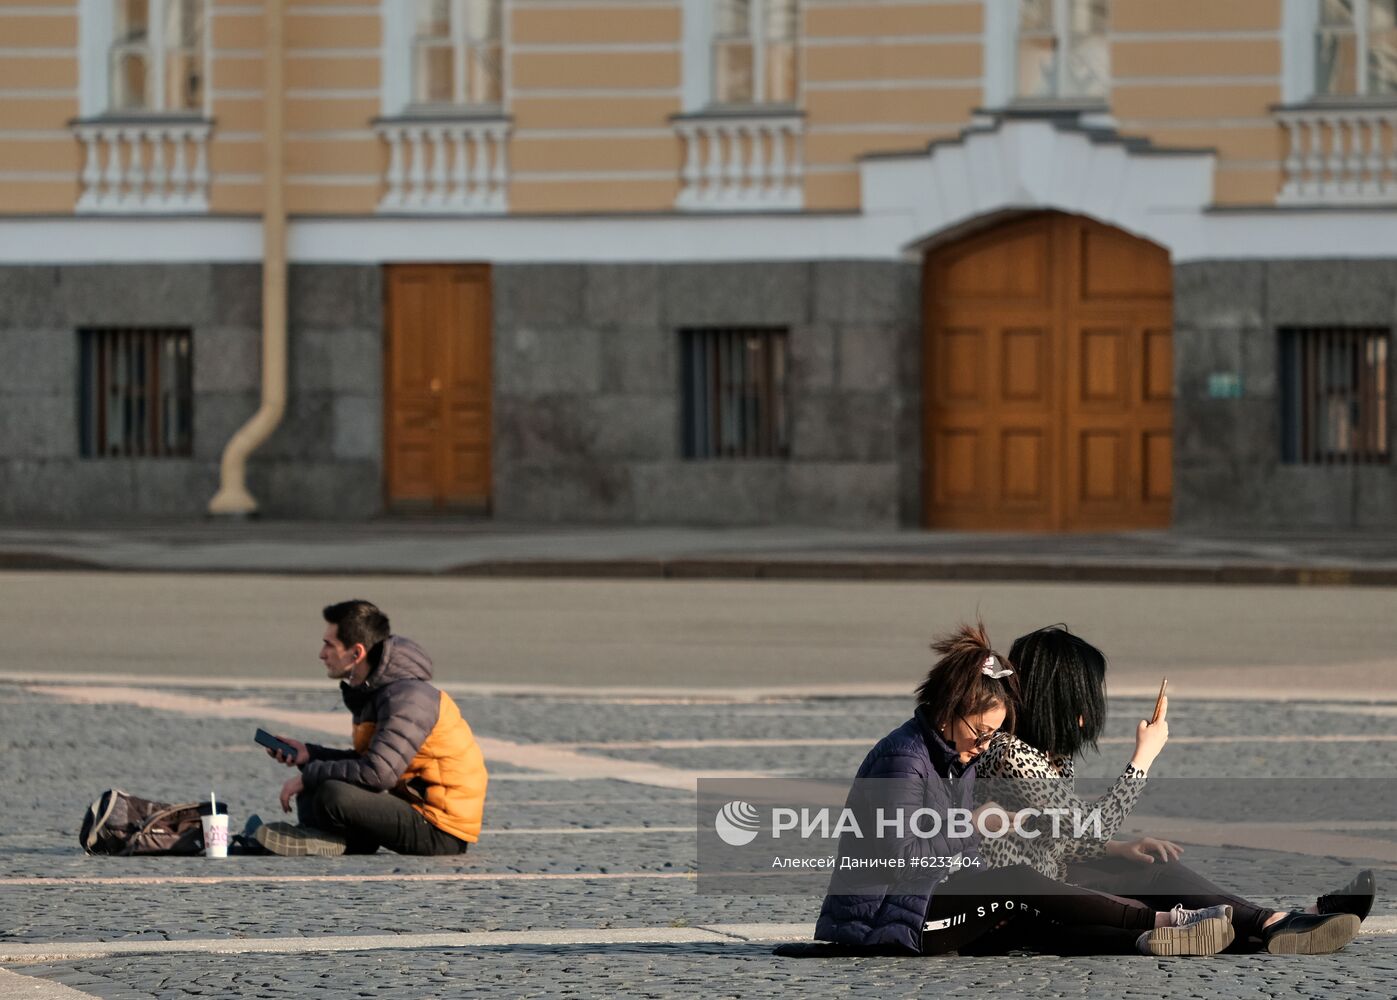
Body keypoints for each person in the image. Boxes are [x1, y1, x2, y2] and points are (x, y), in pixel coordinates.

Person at [798, 623, 1235, 959]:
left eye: (993, 735)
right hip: (888, 921)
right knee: (1018, 884)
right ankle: (1168, 920)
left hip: (929, 899)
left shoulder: (956, 754)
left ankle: (1151, 937)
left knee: (1030, 914)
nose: (985, 745)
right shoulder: (904, 759)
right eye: (982, 732)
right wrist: (972, 825)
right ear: (951, 709)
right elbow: (900, 855)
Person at [971, 624, 1372, 956]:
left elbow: (1056, 833)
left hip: (1054, 876)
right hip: (1020, 904)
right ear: (1056, 700)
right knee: (1151, 913)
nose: (1089, 713)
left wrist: (1118, 850)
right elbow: (1088, 828)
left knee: (1156, 870)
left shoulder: (1049, 755)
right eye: (1085, 698)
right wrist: (1142, 759)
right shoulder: (1012, 755)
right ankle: (1287, 921)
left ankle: (1281, 921)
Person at [248, 600, 488, 857]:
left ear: (356, 653)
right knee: (318, 787)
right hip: (415, 808)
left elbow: (378, 774)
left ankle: (329, 838)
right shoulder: (380, 692)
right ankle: (332, 839)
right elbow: (371, 762)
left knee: (331, 792)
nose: (322, 653)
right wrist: (310, 755)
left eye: (329, 644)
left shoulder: (408, 699)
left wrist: (310, 776)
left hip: (440, 829)